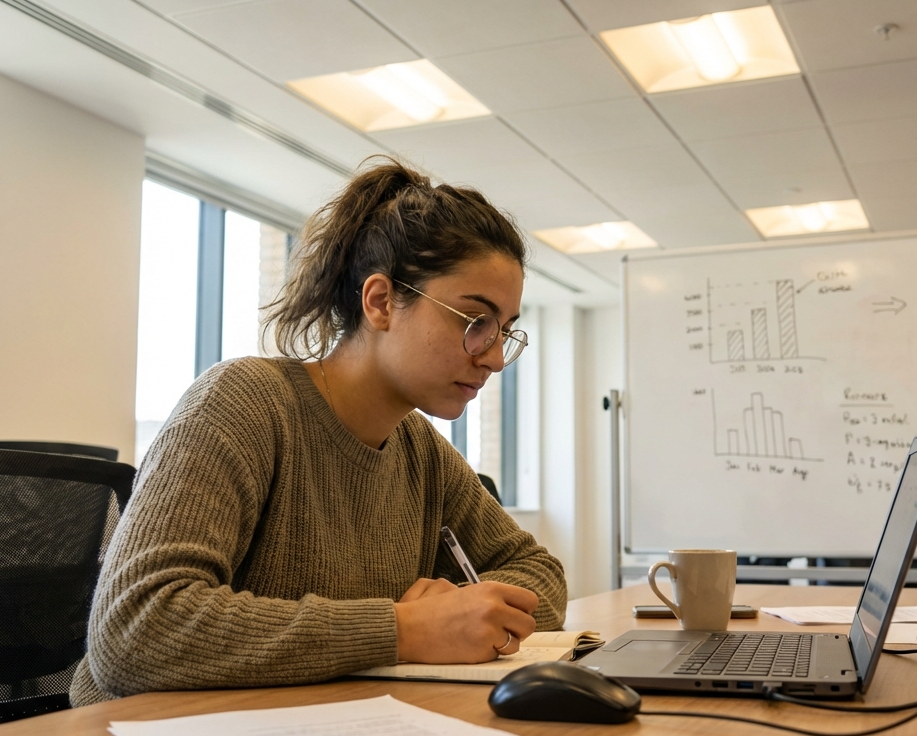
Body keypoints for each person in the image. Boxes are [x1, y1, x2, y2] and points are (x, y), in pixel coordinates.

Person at [70, 158, 567, 705]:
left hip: (310, 723)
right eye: (475, 322)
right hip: (139, 735)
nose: (494, 358)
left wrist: (463, 611)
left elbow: (541, 574)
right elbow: (135, 629)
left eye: (504, 332)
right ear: (380, 302)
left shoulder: (420, 449)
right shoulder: (244, 403)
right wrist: (404, 628)